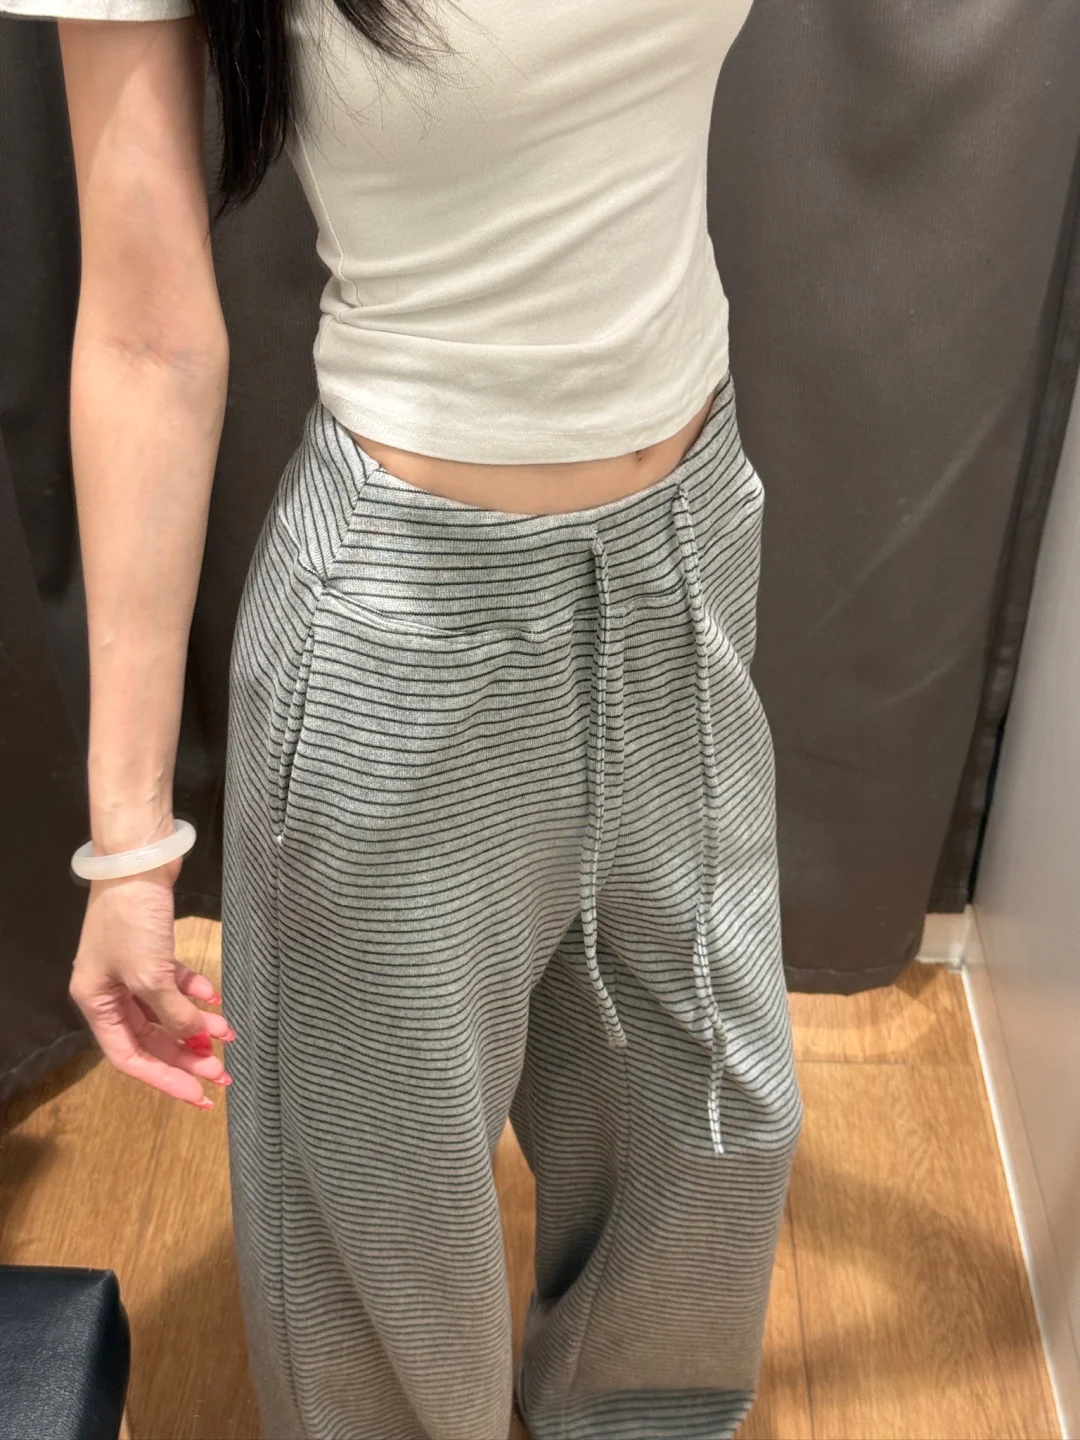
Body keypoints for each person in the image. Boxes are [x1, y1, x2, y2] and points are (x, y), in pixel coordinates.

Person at [3, 0, 804, 1433]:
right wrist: (130, 850)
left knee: (705, 1134)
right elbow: (142, 339)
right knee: (382, 1235)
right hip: (402, 623)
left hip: (684, 541)